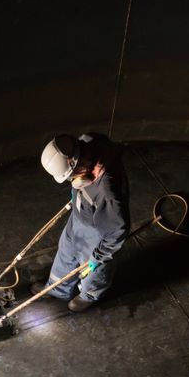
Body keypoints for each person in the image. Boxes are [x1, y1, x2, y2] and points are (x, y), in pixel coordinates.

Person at [34, 133, 131, 312]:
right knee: (66, 251)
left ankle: (89, 294)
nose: (72, 181)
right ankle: (57, 289)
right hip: (80, 216)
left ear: (79, 163)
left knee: (93, 270)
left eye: (72, 176)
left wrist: (97, 258)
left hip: (97, 229)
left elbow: (116, 232)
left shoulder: (106, 193)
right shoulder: (88, 142)